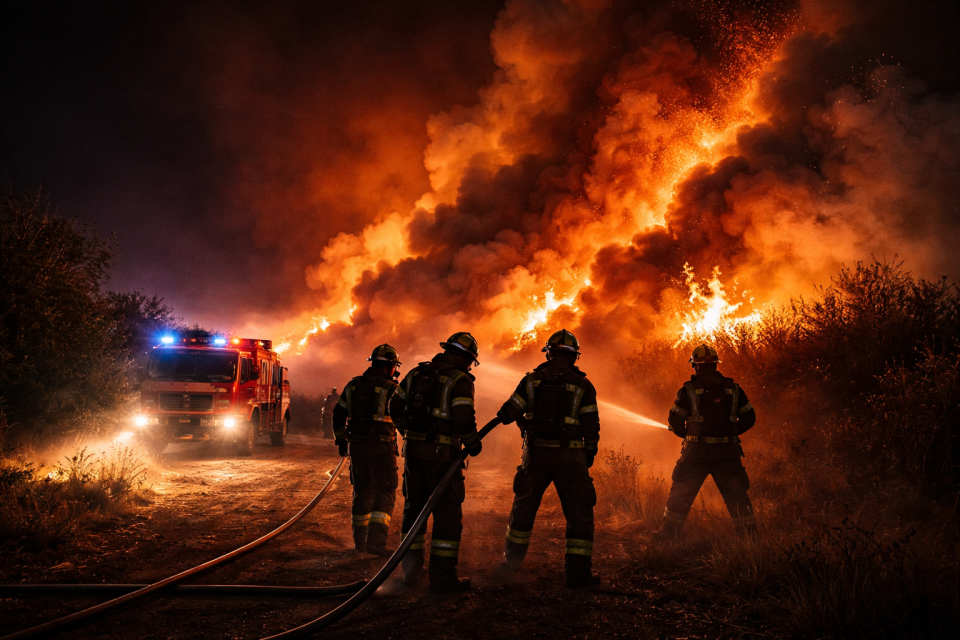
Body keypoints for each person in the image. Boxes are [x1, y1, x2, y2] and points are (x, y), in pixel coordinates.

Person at [495, 329, 601, 588]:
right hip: (570, 460)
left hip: (535, 458)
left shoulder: (531, 380)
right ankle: (578, 575)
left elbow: (507, 413)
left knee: (523, 511)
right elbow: (591, 426)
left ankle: (511, 565)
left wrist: (519, 421)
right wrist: (589, 454)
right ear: (574, 357)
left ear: (549, 353)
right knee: (579, 516)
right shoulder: (583, 385)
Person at [389, 332, 482, 593]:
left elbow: (394, 406)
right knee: (447, 516)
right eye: (470, 361)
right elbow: (463, 418)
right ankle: (442, 579)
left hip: (414, 453)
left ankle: (410, 572)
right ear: (465, 357)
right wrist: (473, 444)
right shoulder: (460, 380)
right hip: (443, 457)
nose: (469, 366)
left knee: (413, 510)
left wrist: (406, 432)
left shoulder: (417, 374)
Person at [657, 344, 758, 540]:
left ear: (696, 366)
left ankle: (668, 537)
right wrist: (731, 432)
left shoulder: (689, 390)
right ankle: (750, 541)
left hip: (696, 455)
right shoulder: (734, 390)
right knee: (737, 497)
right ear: (715, 365)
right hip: (728, 455)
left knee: (681, 495)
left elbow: (675, 421)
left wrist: (686, 434)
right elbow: (749, 418)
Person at [331, 346, 401, 556]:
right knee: (384, 493)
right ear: (389, 366)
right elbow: (404, 417)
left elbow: (337, 414)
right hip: (382, 449)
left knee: (361, 494)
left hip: (358, 449)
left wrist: (341, 441)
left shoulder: (353, 386)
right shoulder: (391, 389)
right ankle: (377, 543)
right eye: (394, 366)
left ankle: (360, 543)